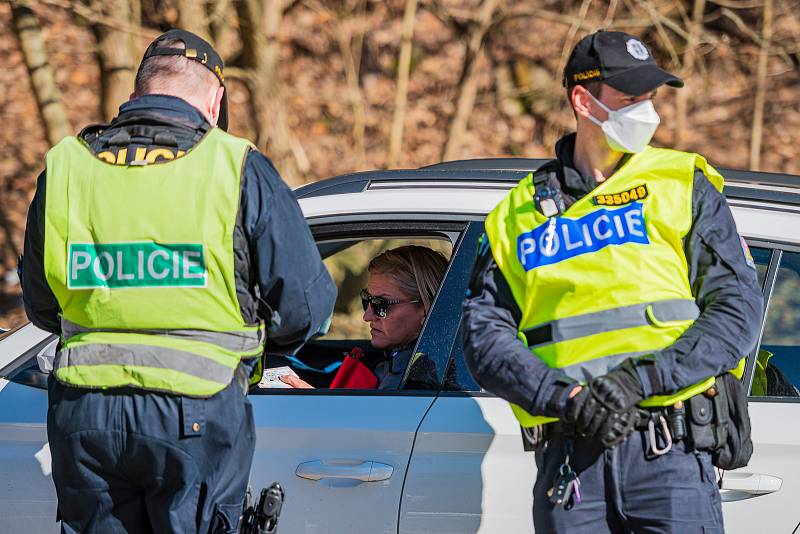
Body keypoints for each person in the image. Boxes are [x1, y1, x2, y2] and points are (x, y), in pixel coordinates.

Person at [20, 29, 336, 533]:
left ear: (136, 94)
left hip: (85, 416)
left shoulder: (66, 167)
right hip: (195, 415)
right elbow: (304, 308)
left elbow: (40, 306)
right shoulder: (233, 166)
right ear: (216, 101)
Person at [462, 30, 763, 533]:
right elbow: (483, 337)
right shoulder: (517, 215)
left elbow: (736, 309)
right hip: (571, 459)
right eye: (630, 99)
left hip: (669, 453)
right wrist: (564, 399)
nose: (647, 111)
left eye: (649, 97)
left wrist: (637, 381)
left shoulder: (680, 184)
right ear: (584, 101)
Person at [281, 245, 448, 390]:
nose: (367, 316)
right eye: (367, 300)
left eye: (381, 305)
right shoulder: (401, 359)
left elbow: (379, 423)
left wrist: (315, 403)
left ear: (426, 310)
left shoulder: (417, 380)